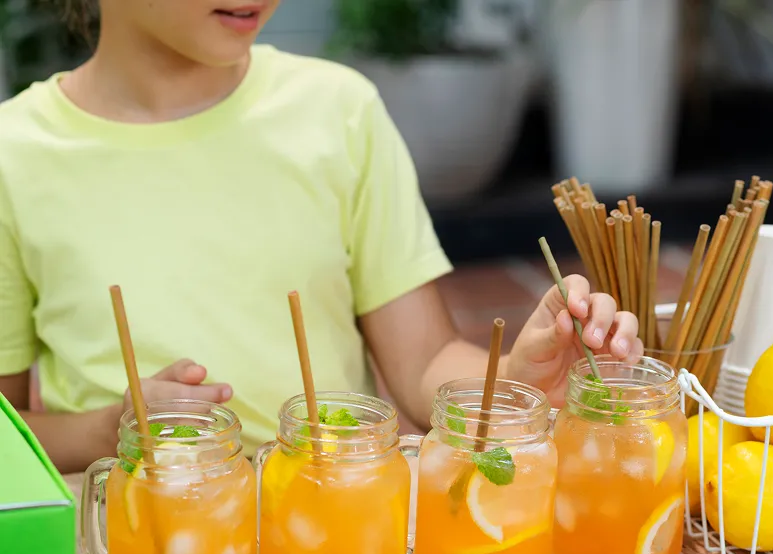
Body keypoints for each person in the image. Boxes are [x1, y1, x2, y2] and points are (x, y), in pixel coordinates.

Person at [0, 0, 643, 473]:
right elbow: (8, 436)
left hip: (332, 527)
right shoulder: (15, 156)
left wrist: (517, 382)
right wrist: (104, 432)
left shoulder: (338, 112)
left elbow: (422, 363)